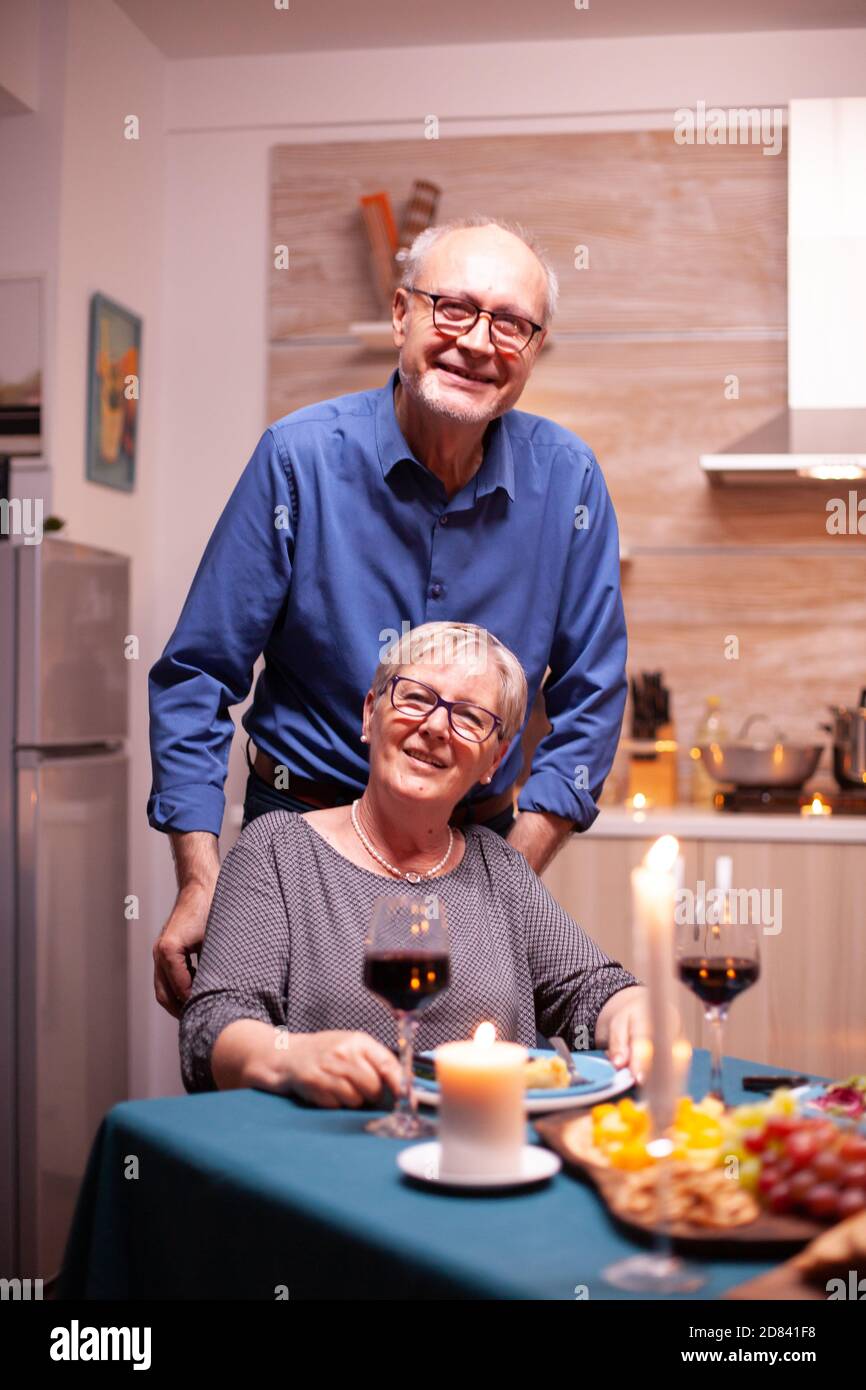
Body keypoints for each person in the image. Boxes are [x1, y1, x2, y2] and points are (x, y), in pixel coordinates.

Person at [150, 215, 628, 1019]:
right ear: (402, 314)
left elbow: (592, 703)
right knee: (281, 1081)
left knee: (462, 1089)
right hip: (295, 834)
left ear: (534, 350)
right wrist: (199, 879)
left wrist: (504, 876)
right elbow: (198, 677)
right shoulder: (298, 459)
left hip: (472, 839)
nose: (479, 342)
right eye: (454, 308)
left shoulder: (569, 481)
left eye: (512, 323)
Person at [180, 624, 645, 1103]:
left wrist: (634, 1009)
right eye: (417, 698)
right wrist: (287, 1056)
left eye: (469, 717)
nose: (436, 727)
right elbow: (208, 1029)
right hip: (328, 1155)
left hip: (486, 1155)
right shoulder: (278, 851)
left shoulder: (499, 867)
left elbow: (591, 989)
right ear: (369, 714)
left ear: (494, 759)